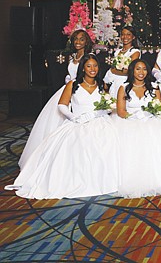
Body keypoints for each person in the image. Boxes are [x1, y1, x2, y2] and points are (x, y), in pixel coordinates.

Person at [8, 54, 119, 199]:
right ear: (83, 68)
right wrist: (75, 118)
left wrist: (99, 113)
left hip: (99, 122)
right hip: (77, 122)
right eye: (89, 66)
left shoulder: (102, 85)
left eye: (95, 66)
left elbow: (108, 105)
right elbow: (62, 105)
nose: (93, 69)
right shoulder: (73, 84)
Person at [19, 29, 94, 169]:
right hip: (67, 88)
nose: (78, 42)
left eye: (81, 39)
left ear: (87, 42)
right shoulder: (73, 56)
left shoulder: (89, 57)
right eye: (75, 39)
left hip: (79, 92)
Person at [104, 26, 141, 98]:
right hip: (115, 82)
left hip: (126, 82)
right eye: (123, 34)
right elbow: (113, 67)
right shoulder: (117, 52)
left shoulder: (135, 52)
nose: (125, 37)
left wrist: (113, 71)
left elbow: (130, 71)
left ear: (133, 37)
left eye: (128, 34)